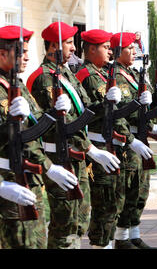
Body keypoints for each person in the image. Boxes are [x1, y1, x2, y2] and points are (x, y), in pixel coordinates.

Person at [27, 21, 120, 248]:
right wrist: (91, 149)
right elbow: (61, 125)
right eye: (69, 43)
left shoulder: (66, 75)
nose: (74, 48)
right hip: (61, 157)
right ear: (53, 46)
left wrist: (106, 103)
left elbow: (85, 112)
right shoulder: (45, 78)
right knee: (64, 225)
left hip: (77, 157)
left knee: (80, 220)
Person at [0, 25, 79, 249]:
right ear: (2, 54)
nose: (27, 57)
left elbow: (34, 129)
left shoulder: (17, 86)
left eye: (26, 51)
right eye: (21, 51)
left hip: (28, 179)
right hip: (8, 181)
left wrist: (54, 114)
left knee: (37, 242)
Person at [75, 29, 143, 249]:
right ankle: (100, 245)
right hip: (97, 145)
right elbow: (86, 112)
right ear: (92, 49)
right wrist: (106, 104)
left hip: (113, 145)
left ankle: (111, 243)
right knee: (104, 205)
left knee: (115, 203)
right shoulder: (85, 75)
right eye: (105, 47)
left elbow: (118, 112)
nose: (109, 51)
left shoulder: (104, 73)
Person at [109, 32, 155, 249]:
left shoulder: (133, 74)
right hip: (129, 141)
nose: (134, 51)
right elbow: (118, 113)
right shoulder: (115, 76)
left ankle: (134, 234)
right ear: (118, 51)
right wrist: (130, 140)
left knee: (141, 190)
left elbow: (147, 106)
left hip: (141, 136)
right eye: (129, 48)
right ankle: (121, 237)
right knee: (129, 190)